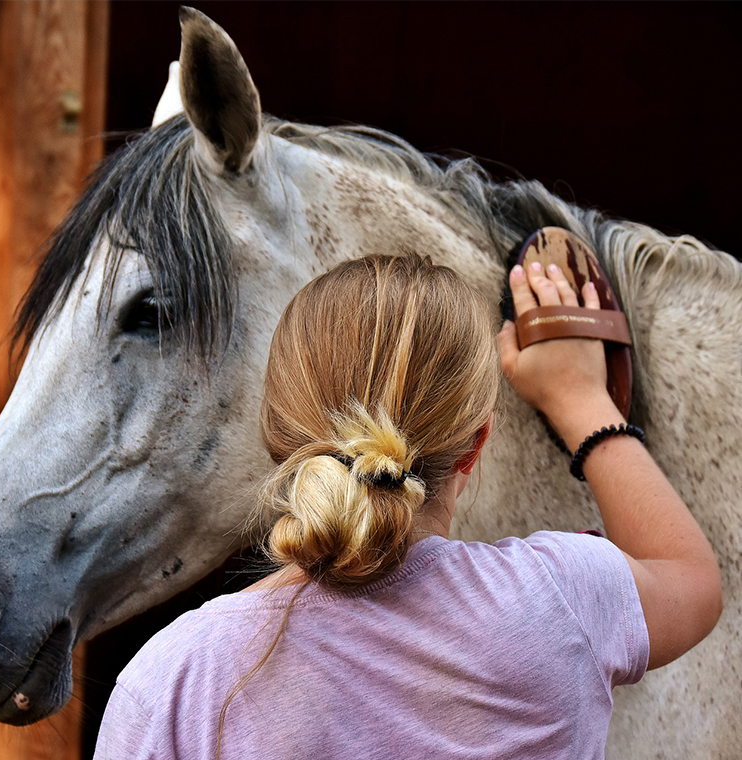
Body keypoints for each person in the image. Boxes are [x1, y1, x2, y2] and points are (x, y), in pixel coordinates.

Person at [94, 252, 722, 759]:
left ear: (276, 437)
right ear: (476, 445)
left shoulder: (173, 685)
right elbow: (690, 580)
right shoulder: (560, 599)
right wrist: (581, 398)